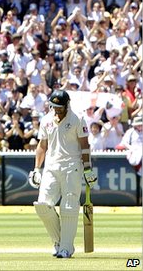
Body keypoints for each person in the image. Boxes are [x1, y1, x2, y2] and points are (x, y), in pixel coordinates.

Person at [28, 90, 97, 258]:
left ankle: (65, 248)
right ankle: (59, 241)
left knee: (69, 206)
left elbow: (84, 145)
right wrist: (37, 168)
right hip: (51, 167)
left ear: (67, 105)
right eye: (54, 107)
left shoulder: (77, 119)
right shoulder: (46, 120)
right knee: (42, 205)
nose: (57, 111)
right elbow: (42, 146)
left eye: (60, 107)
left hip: (72, 166)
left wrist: (87, 169)